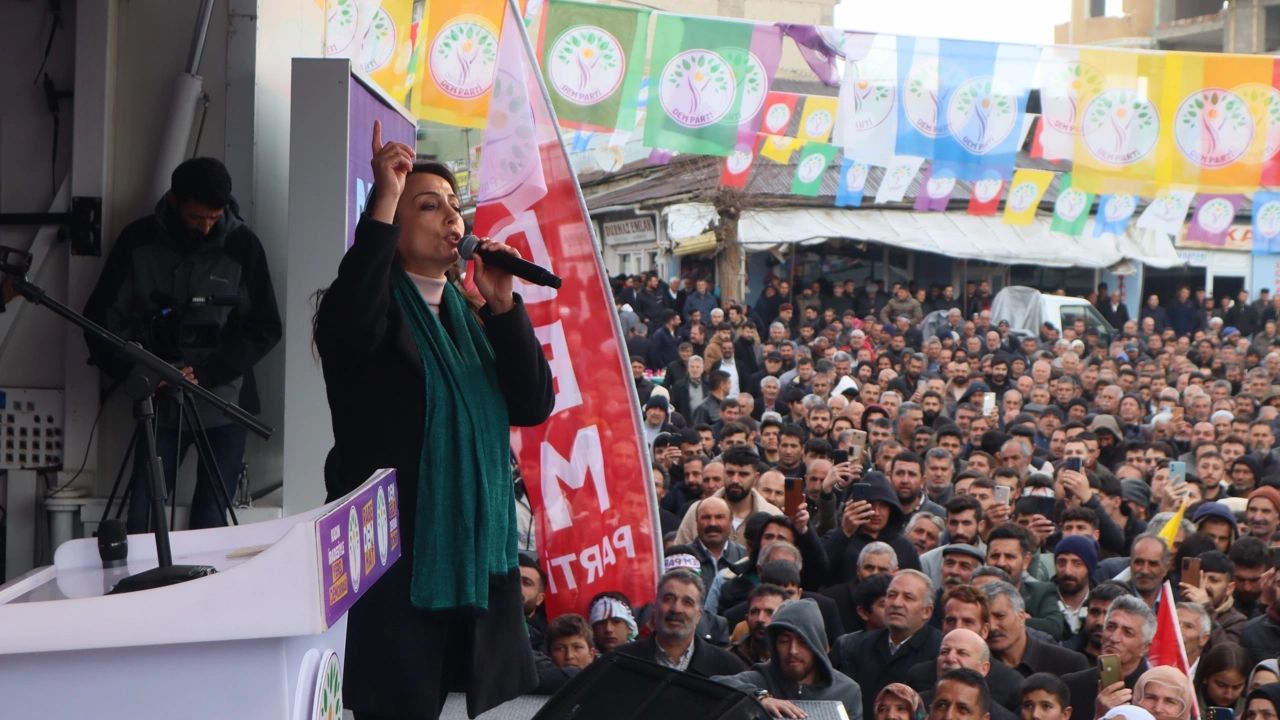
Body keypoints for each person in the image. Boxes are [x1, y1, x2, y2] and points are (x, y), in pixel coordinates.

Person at [313, 124, 555, 719]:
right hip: (395, 553)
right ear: (391, 227)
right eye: (427, 205)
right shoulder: (366, 309)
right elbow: (352, 321)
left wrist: (503, 305)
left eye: (454, 205)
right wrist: (384, 197)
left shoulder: (470, 318)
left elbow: (532, 405)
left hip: (469, 550)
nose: (451, 218)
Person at [84, 156, 282, 533]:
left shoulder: (243, 245)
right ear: (175, 201)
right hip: (158, 404)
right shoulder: (138, 241)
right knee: (142, 519)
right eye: (196, 217)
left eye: (214, 218)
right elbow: (98, 321)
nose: (206, 227)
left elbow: (265, 327)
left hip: (225, 405)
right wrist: (139, 371)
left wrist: (206, 372)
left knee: (210, 522)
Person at [713, 598, 864, 719]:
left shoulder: (847, 691)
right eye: (784, 641)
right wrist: (760, 698)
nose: (793, 650)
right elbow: (715, 684)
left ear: (817, 644)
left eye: (803, 641)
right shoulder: (762, 679)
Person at [611, 568, 747, 676]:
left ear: (699, 615)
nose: (676, 609)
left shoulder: (728, 668)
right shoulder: (619, 662)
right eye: (668, 599)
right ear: (655, 607)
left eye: (687, 602)